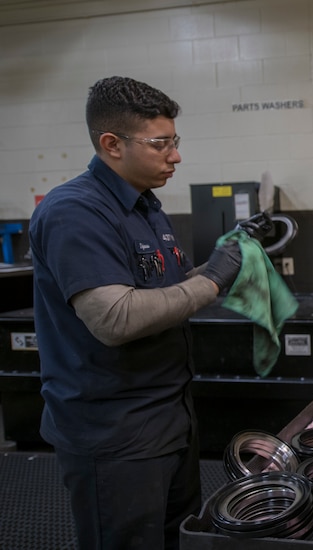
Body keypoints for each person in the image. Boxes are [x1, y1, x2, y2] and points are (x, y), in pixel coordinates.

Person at [28, 76, 248, 550]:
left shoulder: (145, 206)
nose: (175, 156)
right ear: (111, 144)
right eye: (160, 144)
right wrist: (213, 281)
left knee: (178, 538)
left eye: (175, 141)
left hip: (168, 420)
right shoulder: (75, 211)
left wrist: (226, 257)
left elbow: (175, 285)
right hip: (114, 435)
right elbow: (116, 318)